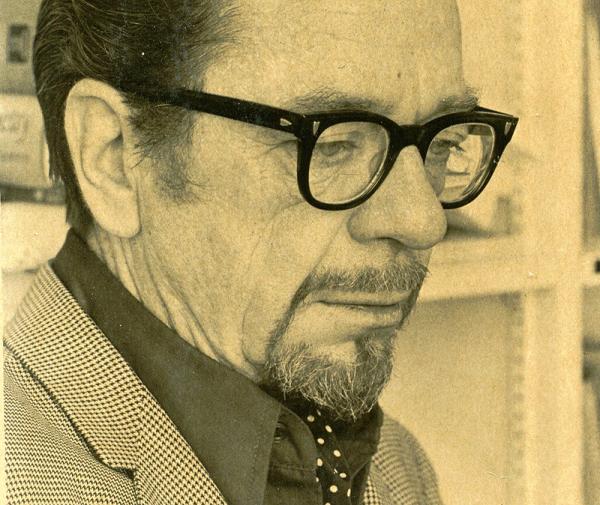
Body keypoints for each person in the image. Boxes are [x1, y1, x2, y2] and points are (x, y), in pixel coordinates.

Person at [3, 0, 518, 504]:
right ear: (114, 154)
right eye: (334, 145)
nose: (424, 221)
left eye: (444, 143)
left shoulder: (394, 466)